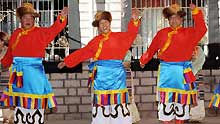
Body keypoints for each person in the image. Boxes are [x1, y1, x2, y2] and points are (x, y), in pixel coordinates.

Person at [58, 10, 141, 124]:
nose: (104, 25)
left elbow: (131, 35)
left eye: (106, 22)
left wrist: (134, 21)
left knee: (119, 106)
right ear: (98, 27)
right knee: (102, 108)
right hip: (101, 78)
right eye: (101, 23)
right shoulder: (95, 41)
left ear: (110, 23)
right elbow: (83, 52)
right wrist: (67, 61)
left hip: (117, 77)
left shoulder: (119, 37)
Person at [0, 3, 68, 123]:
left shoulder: (41, 32)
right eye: (25, 17)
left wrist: (61, 18)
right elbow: (10, 54)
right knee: (20, 104)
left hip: (34, 74)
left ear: (34, 19)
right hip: (18, 75)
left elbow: (55, 29)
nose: (28, 20)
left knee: (36, 103)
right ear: (20, 19)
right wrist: (2, 64)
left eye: (31, 17)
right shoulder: (16, 33)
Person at [139, 3, 207, 124]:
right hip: (167, 73)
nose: (174, 20)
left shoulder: (190, 33)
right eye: (171, 18)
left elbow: (202, 29)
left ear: (181, 19)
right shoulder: (162, 33)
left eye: (176, 17)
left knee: (181, 105)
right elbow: (152, 49)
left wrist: (196, 13)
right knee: (166, 104)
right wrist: (143, 60)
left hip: (183, 72)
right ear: (168, 19)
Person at [0, 32, 14, 124]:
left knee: (8, 100)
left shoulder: (8, 51)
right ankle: (5, 118)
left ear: (2, 41)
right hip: (2, 80)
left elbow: (7, 63)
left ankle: (10, 119)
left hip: (7, 79)